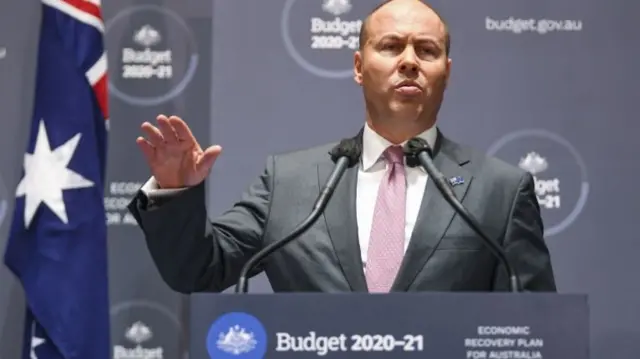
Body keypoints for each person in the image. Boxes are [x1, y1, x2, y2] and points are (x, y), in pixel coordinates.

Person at [128, 0, 556, 293]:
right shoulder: (289, 183)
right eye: (390, 46)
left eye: (426, 50)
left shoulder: (500, 189)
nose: (409, 60)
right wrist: (174, 191)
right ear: (358, 67)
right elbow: (199, 270)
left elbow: (531, 327)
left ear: (446, 71)